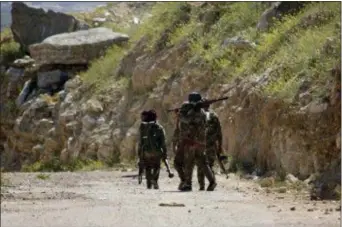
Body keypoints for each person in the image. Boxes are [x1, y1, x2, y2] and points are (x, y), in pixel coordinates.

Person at [178, 92, 217, 191]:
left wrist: (191, 111)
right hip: (200, 142)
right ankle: (212, 181)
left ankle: (188, 184)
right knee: (203, 162)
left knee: (189, 162)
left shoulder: (197, 111)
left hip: (191, 141)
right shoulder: (202, 112)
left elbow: (184, 119)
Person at [138, 109, 168, 189]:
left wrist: (139, 154)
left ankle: (149, 184)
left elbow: (140, 142)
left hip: (146, 151)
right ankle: (154, 180)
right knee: (156, 167)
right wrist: (165, 154)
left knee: (147, 167)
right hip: (157, 152)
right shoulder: (159, 127)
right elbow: (163, 142)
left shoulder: (143, 127)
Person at [197, 98, 223, 190]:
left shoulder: (199, 116)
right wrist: (220, 146)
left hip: (200, 145)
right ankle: (212, 183)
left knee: (201, 165)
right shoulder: (214, 116)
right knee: (209, 165)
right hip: (211, 145)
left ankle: (202, 186)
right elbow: (219, 133)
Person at [172, 109, 186, 190]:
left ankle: (184, 181)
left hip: (185, 146)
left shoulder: (184, 120)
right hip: (185, 146)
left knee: (178, 164)